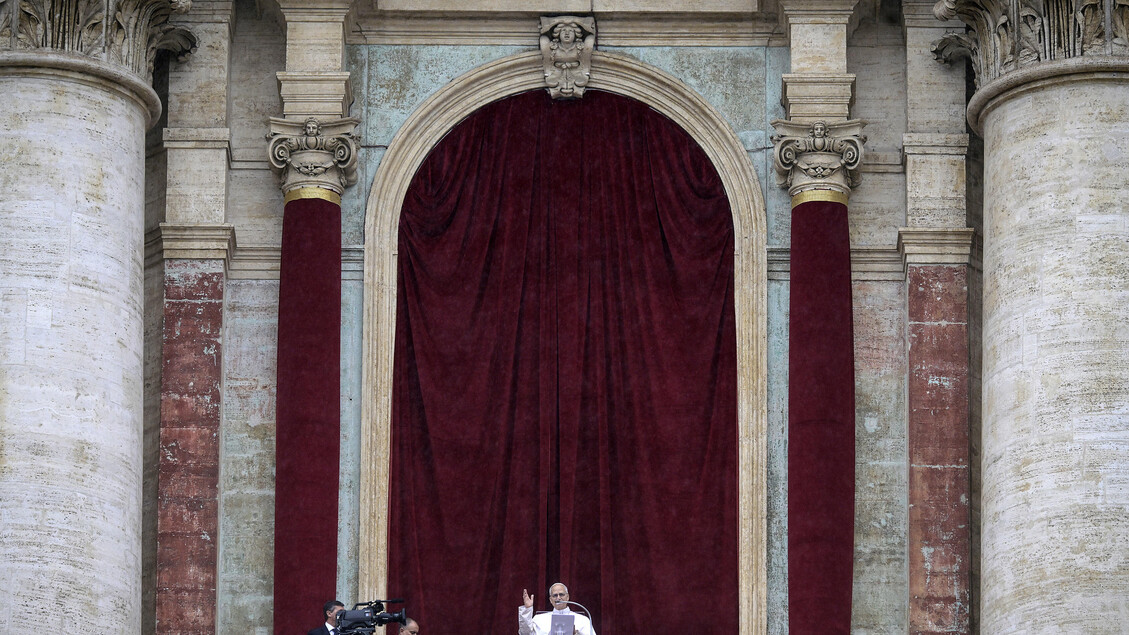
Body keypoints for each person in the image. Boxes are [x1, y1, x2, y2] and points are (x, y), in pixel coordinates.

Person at [518, 583, 595, 635]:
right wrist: (527, 609)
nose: (558, 598)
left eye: (561, 594)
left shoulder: (583, 620)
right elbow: (525, 633)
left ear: (567, 597)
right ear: (551, 600)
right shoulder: (539, 619)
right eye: (555, 595)